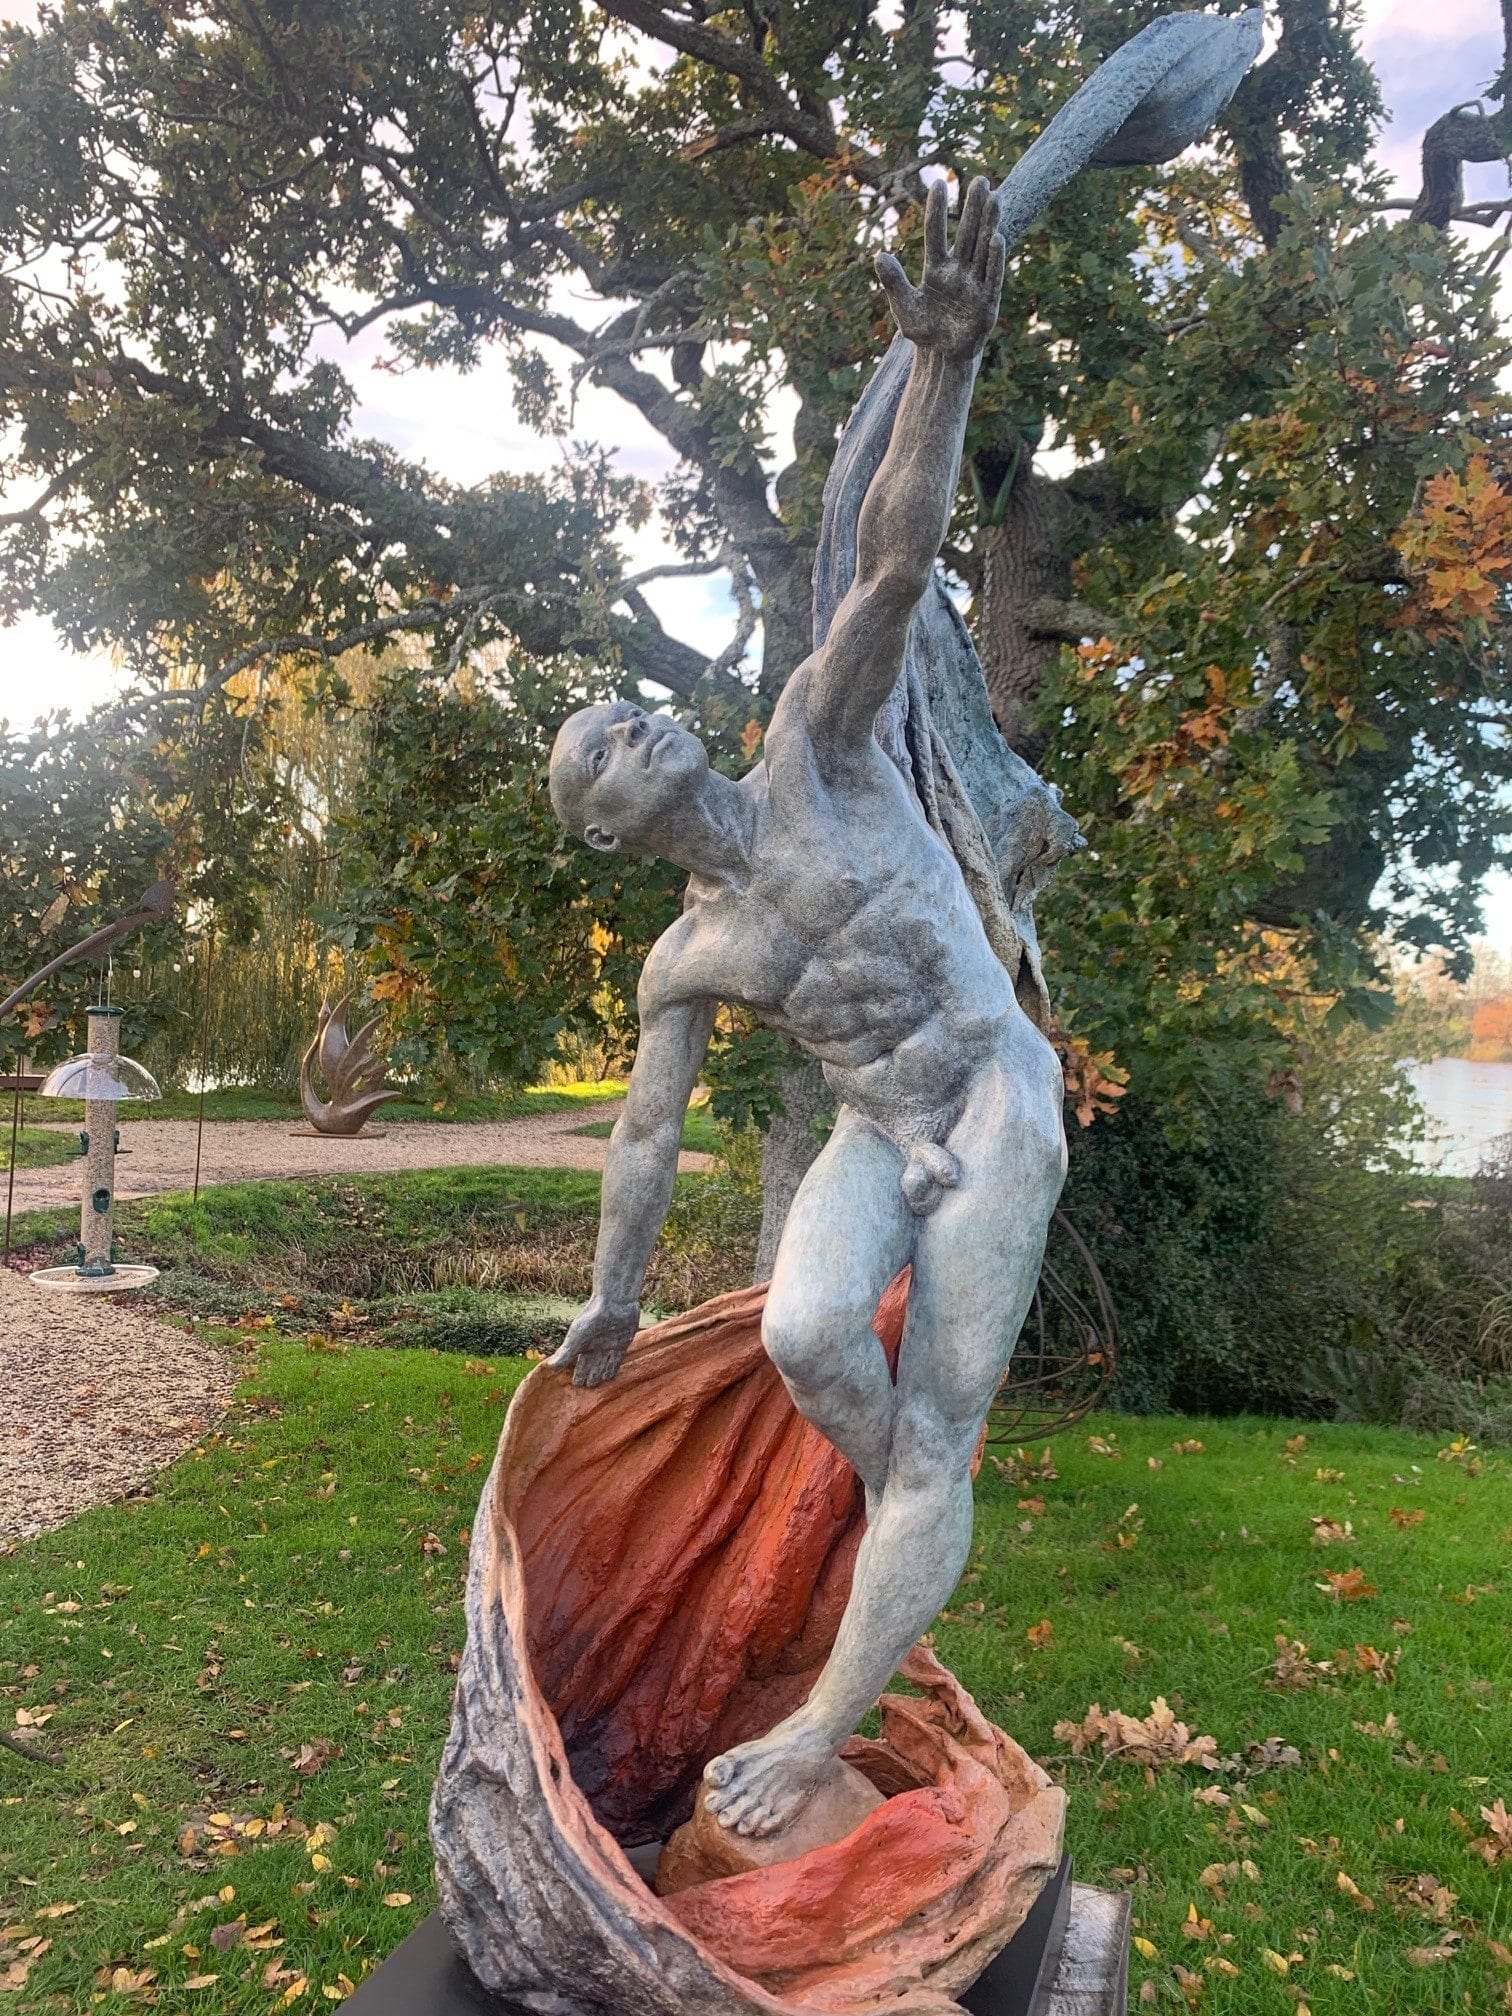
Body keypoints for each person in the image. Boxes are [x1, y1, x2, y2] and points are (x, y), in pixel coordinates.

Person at [545, 176, 1067, 1841]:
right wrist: (614, 1300)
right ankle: (895, 1502)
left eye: (627, 710)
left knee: (938, 1439)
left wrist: (945, 364)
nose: (632, 725)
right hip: (879, 1123)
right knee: (800, 1335)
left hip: (991, 1093)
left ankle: (828, 1710)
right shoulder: (683, 962)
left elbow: (897, 564)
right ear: (606, 829)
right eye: (598, 747)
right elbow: (643, 1139)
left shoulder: (813, 748)